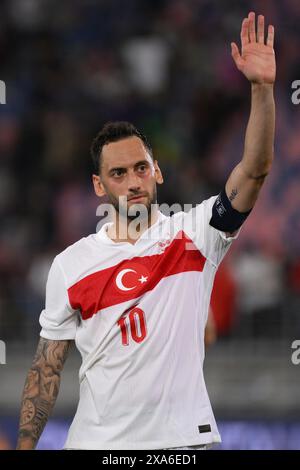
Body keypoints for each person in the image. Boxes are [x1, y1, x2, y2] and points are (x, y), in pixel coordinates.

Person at [16, 12, 276, 450]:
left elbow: (254, 171)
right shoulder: (69, 265)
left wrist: (262, 90)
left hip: (181, 448)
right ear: (99, 185)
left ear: (157, 171)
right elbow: (46, 369)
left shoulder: (196, 233)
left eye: (141, 168)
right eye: (118, 173)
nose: (133, 182)